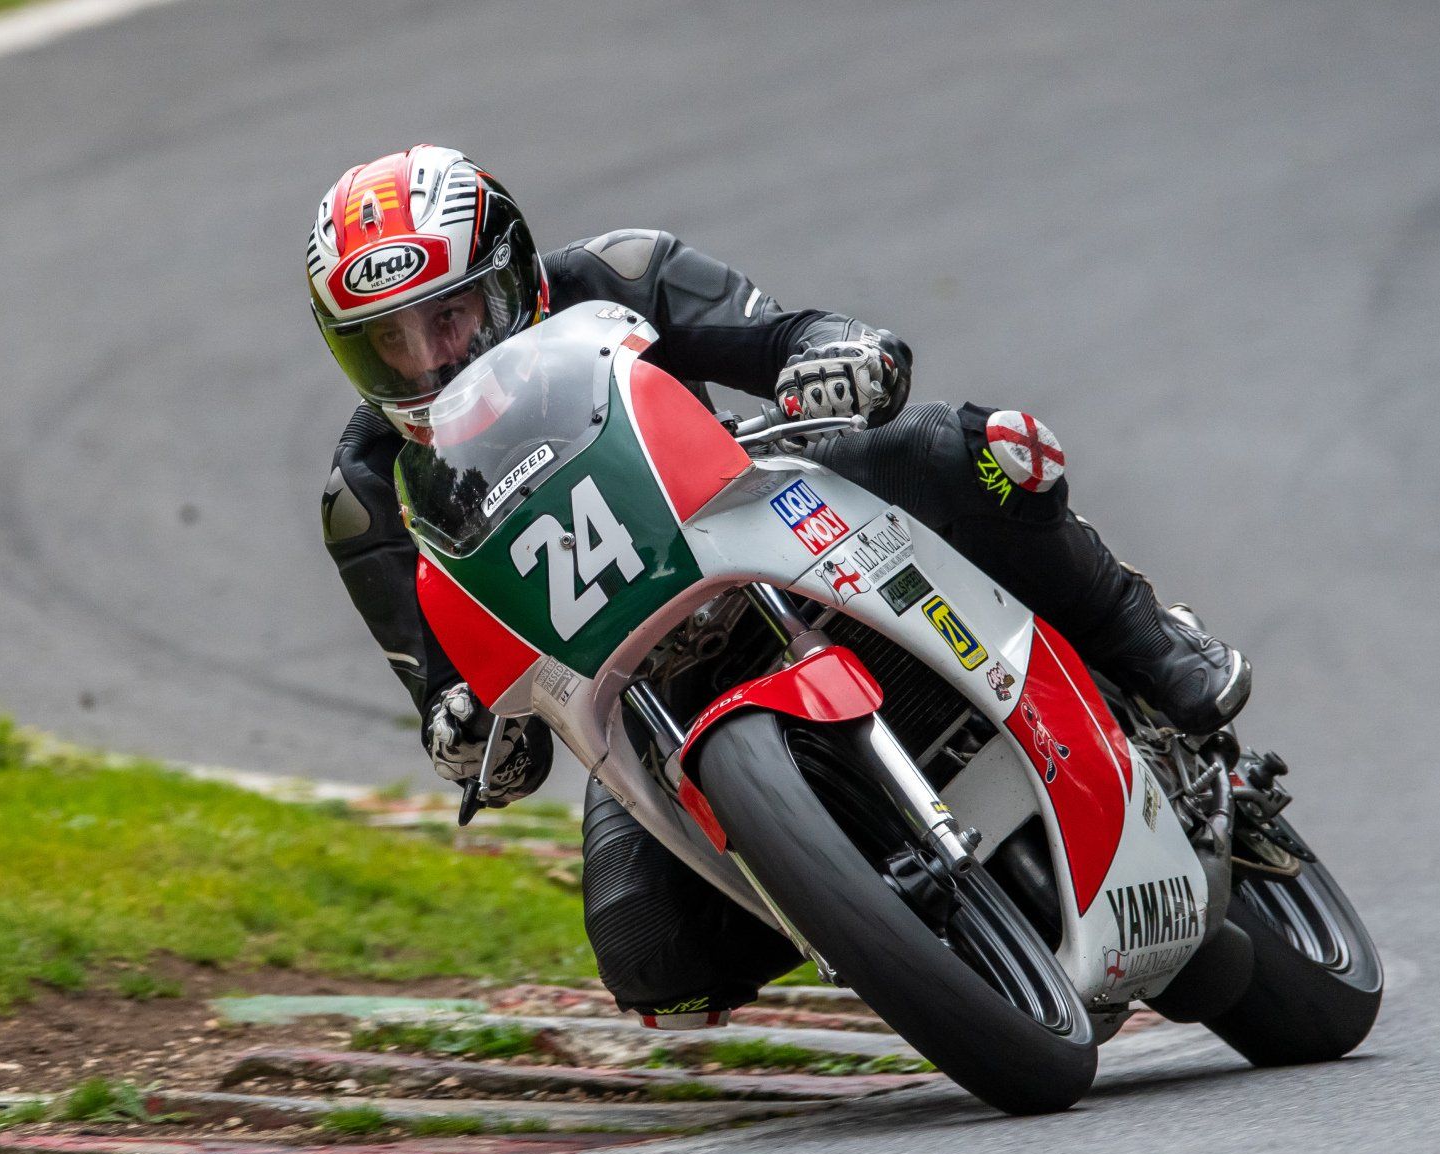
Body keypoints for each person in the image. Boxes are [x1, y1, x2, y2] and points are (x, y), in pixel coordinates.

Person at [312, 146, 1250, 1028]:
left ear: (511, 278)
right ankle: (873, 908)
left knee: (970, 450)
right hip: (638, 691)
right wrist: (470, 734)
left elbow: (791, 336)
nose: (432, 359)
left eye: (449, 317)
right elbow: (457, 700)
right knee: (649, 955)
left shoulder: (618, 273)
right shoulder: (366, 494)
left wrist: (842, 355)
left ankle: (1146, 636)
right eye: (390, 342)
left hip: (756, 515)